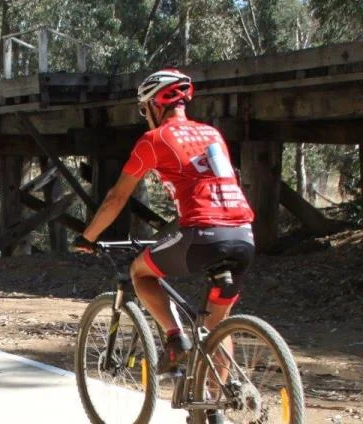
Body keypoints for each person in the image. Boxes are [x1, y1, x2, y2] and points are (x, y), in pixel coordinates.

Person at [71, 68, 256, 384]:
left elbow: (116, 198)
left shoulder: (153, 140)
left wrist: (88, 237)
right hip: (244, 235)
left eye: (145, 110)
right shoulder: (213, 135)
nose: (146, 117)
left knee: (140, 272)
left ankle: (175, 338)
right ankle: (215, 406)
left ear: (155, 106)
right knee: (216, 325)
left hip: (202, 234)